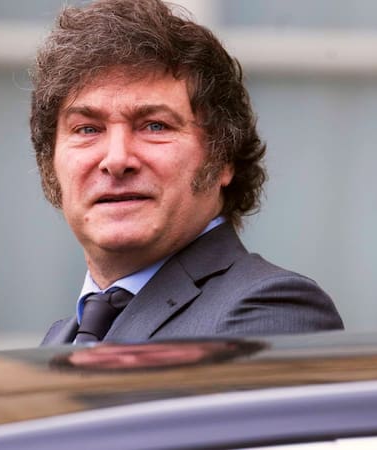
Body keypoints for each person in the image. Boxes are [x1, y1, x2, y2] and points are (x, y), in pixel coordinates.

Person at [32, 0, 343, 345]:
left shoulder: (273, 311)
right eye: (87, 129)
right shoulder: (60, 339)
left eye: (155, 125)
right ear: (50, 165)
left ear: (223, 158)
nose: (116, 160)